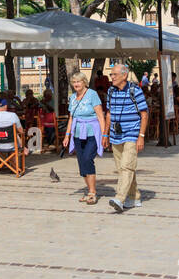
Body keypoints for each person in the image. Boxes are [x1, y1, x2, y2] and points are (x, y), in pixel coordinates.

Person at [104, 63, 149, 213]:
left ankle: (120, 198)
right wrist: (105, 134)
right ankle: (135, 196)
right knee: (124, 168)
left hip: (132, 133)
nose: (112, 77)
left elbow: (144, 114)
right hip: (116, 135)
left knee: (126, 166)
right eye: (111, 74)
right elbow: (108, 113)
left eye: (114, 74)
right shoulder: (111, 91)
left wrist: (141, 136)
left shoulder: (135, 91)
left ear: (124, 75)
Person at [63, 73, 107, 204]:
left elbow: (100, 116)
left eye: (79, 81)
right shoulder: (72, 98)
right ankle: (89, 191)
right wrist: (67, 135)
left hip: (92, 132)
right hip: (77, 133)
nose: (76, 84)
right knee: (82, 162)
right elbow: (71, 118)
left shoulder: (92, 94)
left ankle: (93, 192)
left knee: (88, 158)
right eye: (74, 82)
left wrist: (104, 134)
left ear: (84, 82)